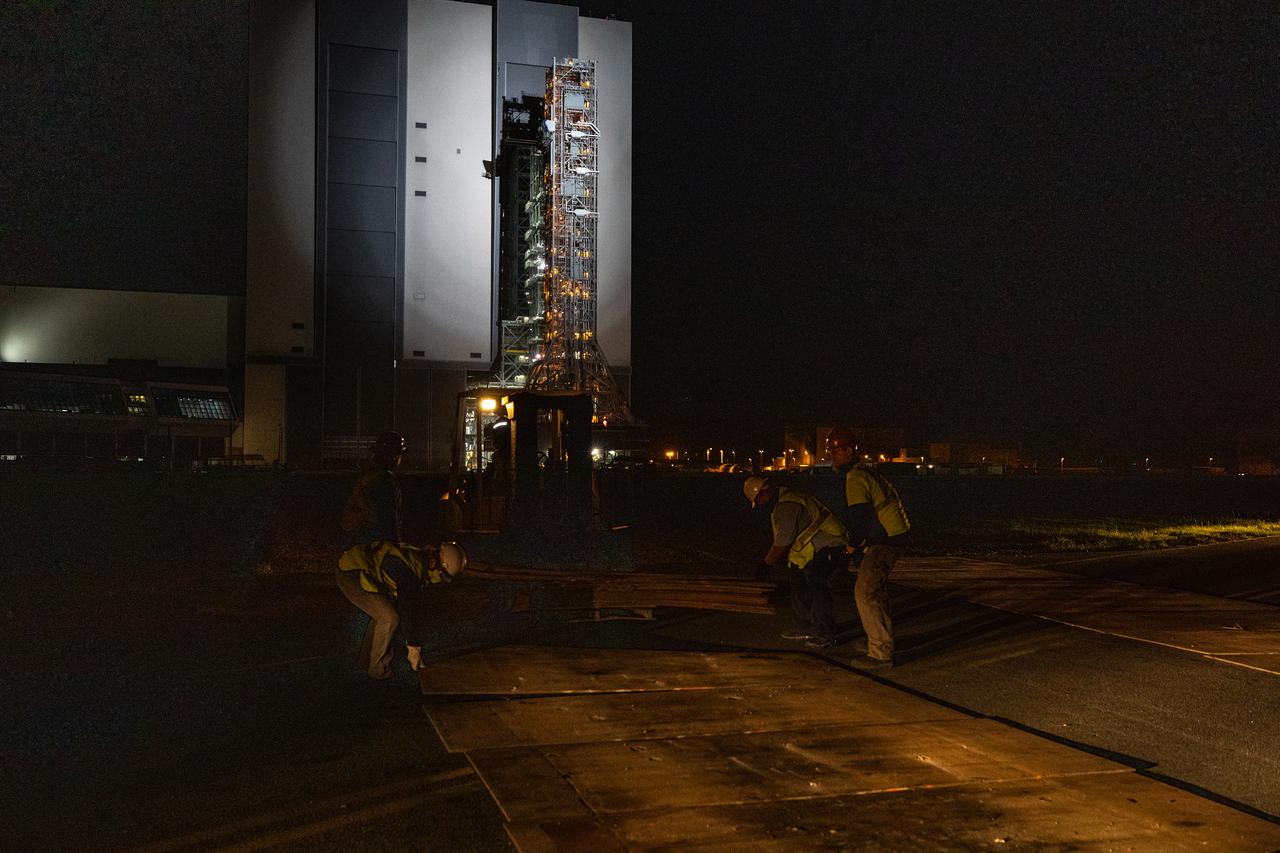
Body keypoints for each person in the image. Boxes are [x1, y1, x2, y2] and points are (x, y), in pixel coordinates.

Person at [826, 427, 911, 669]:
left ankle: (880, 654)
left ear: (849, 451)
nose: (832, 456)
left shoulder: (855, 478)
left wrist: (850, 550)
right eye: (831, 451)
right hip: (894, 535)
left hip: (886, 540)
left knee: (865, 593)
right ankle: (882, 642)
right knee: (875, 591)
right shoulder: (865, 472)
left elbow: (860, 522)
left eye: (835, 451)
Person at [335, 539, 468, 679]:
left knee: (384, 614)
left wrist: (412, 641)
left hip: (359, 570)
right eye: (442, 575)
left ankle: (365, 661)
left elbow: (407, 606)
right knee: (389, 617)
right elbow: (407, 608)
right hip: (351, 573)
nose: (439, 580)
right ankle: (377, 670)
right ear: (437, 566)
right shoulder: (411, 573)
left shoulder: (417, 560)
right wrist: (413, 646)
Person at [743, 475, 848, 648]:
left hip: (828, 546)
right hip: (811, 550)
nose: (759, 505)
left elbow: (783, 541)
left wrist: (766, 564)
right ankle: (807, 628)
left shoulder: (787, 505)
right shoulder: (783, 502)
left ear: (764, 493)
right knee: (798, 583)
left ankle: (825, 634)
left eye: (758, 501)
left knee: (816, 587)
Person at [341, 431, 405, 547]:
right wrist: (396, 546)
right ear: (393, 456)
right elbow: (388, 518)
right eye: (399, 455)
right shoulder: (384, 480)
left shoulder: (368, 473)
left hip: (353, 533)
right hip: (368, 535)